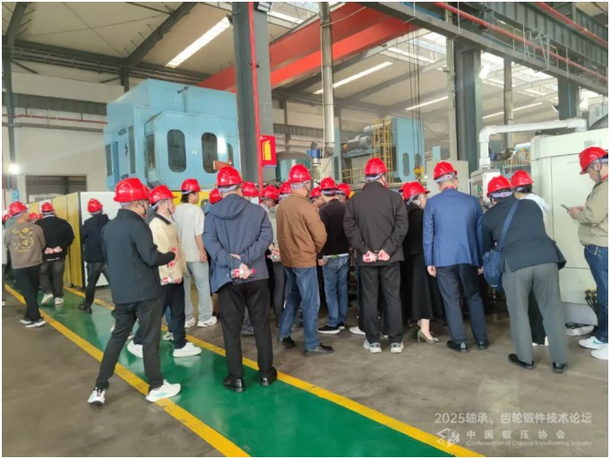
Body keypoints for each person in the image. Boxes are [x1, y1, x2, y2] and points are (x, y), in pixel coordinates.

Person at [88, 178, 180, 406]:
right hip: (146, 294)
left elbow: (111, 258)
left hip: (121, 294)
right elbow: (151, 257)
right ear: (138, 202)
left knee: (117, 339)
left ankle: (99, 388)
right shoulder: (139, 226)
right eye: (146, 201)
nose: (148, 205)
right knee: (150, 340)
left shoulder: (108, 228)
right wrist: (171, 255)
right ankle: (156, 386)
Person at [482, 176, 568, 372]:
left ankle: (526, 359)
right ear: (511, 191)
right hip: (546, 259)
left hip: (516, 265)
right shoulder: (531, 205)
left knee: (519, 311)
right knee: (552, 309)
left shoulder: (488, 217)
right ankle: (560, 360)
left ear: (492, 197)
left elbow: (486, 246)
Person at [204, 166, 276, 392]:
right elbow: (266, 237)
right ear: (240, 187)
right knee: (261, 324)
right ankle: (266, 373)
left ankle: (236, 378)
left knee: (231, 329)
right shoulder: (257, 211)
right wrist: (246, 259)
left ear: (219, 189)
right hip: (257, 276)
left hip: (228, 279)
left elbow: (211, 244)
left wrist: (234, 262)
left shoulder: (211, 216)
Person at [127, 185, 202, 359]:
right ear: (163, 203)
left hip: (175, 276)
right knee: (155, 314)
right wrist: (171, 275)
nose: (173, 204)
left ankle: (180, 344)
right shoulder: (156, 226)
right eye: (170, 201)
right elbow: (159, 254)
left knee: (178, 312)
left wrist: (180, 271)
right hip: (165, 278)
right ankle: (138, 342)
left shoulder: (168, 222)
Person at [344, 158, 408, 354]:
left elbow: (350, 228)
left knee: (369, 299)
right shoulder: (395, 198)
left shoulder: (355, 201)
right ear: (383, 176)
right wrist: (387, 249)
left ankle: (373, 342)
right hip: (391, 258)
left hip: (367, 260)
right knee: (392, 297)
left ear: (366, 177)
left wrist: (365, 250)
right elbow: (402, 226)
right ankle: (395, 340)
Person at [423, 161, 488, 352]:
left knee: (451, 299)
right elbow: (480, 234)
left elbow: (428, 236)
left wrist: (429, 261)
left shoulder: (432, 203)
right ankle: (481, 340)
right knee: (473, 297)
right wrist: (480, 259)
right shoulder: (472, 201)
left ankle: (459, 341)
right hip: (468, 257)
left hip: (443, 259)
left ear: (438, 184)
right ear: (456, 180)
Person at [277, 164, 333, 356]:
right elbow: (321, 235)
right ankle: (311, 344)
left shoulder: (282, 206)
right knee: (311, 303)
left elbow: (281, 234)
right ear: (306, 184)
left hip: (288, 260)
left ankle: (284, 334)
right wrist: (313, 251)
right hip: (304, 261)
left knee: (293, 297)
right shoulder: (307, 207)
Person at [568, 146, 608, 361]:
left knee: (606, 295)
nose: (589, 175)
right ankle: (603, 336)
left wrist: (577, 214)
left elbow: (593, 217)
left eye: (589, 171)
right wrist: (586, 210)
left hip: (602, 248)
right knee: (604, 293)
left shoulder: (605, 187)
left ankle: (606, 338)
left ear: (597, 165)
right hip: (601, 247)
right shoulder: (603, 186)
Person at [401, 182, 443, 343]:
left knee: (414, 292)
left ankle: (419, 323)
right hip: (421, 259)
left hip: (407, 260)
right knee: (424, 293)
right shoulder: (422, 215)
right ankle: (425, 330)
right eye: (425, 196)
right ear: (417, 198)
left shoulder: (403, 214)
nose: (427, 200)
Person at [511, 170, 549, 347]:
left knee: (529, 297)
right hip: (545, 254)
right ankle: (544, 335)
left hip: (528, 255)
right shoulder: (540, 202)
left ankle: (535, 336)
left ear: (516, 190)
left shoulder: (523, 206)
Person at [173, 178, 216, 328]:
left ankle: (187, 318)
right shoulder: (196, 210)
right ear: (191, 194)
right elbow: (199, 233)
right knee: (203, 286)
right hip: (196, 255)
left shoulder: (176, 210)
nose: (198, 196)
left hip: (181, 256)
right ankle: (205, 317)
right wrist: (202, 251)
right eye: (197, 193)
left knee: (184, 288)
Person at [4, 201, 46, 327]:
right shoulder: (37, 228)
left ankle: (36, 318)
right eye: (26, 211)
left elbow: (7, 245)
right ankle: (31, 317)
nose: (28, 213)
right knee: (32, 291)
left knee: (28, 292)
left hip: (19, 265)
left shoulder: (9, 231)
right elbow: (42, 244)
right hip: (35, 263)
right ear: (22, 213)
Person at [317, 177, 351, 334]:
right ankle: (342, 320)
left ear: (323, 193)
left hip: (329, 256)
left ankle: (333, 323)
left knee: (330, 291)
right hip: (345, 254)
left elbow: (320, 236)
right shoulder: (345, 208)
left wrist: (319, 256)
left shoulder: (323, 211)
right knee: (342, 288)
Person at [36, 201, 75, 306]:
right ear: (53, 211)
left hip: (44, 256)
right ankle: (58, 297)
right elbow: (70, 237)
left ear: (42, 213)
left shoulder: (37, 224)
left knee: (42, 274)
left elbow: (35, 240)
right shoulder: (64, 223)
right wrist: (61, 247)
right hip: (59, 256)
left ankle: (47, 292)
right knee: (58, 276)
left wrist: (45, 249)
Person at [79, 198, 110, 313]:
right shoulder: (109, 222)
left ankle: (87, 305)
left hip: (93, 260)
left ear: (90, 211)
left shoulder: (88, 223)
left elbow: (82, 238)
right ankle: (120, 306)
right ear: (101, 209)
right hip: (108, 259)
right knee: (114, 284)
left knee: (91, 284)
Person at [260, 185, 285, 324]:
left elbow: (265, 236)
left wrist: (272, 248)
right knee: (289, 287)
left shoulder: (268, 215)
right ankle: (289, 317)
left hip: (275, 253)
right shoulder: (287, 212)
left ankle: (279, 318)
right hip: (289, 253)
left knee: (279, 287)